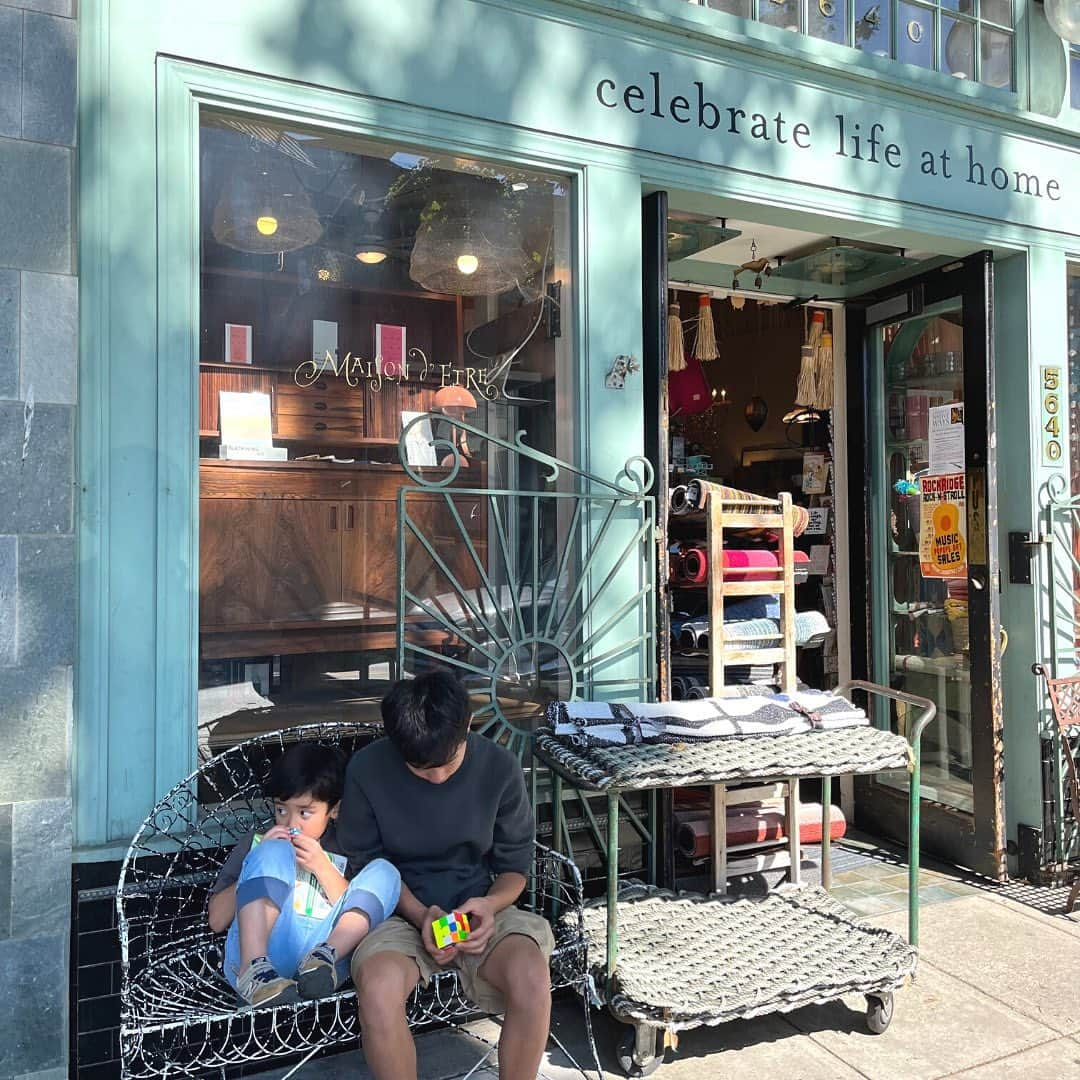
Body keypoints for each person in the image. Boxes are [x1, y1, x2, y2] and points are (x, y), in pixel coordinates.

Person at [339, 670, 553, 1080]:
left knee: (531, 974)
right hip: (395, 913)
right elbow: (367, 866)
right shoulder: (367, 769)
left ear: (468, 726)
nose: (437, 776)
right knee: (378, 989)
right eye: (420, 769)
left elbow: (514, 868)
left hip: (479, 907)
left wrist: (490, 905)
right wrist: (422, 917)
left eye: (447, 762)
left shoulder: (499, 767)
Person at [207, 742, 401, 1007]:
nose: (290, 824)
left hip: (325, 962)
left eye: (305, 812)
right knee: (274, 852)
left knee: (385, 872)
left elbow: (358, 912)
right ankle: (254, 972)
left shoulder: (346, 845)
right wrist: (256, 864)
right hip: (259, 953)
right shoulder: (260, 843)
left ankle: (323, 959)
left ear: (334, 809)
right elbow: (217, 920)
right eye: (281, 810)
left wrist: (321, 866)